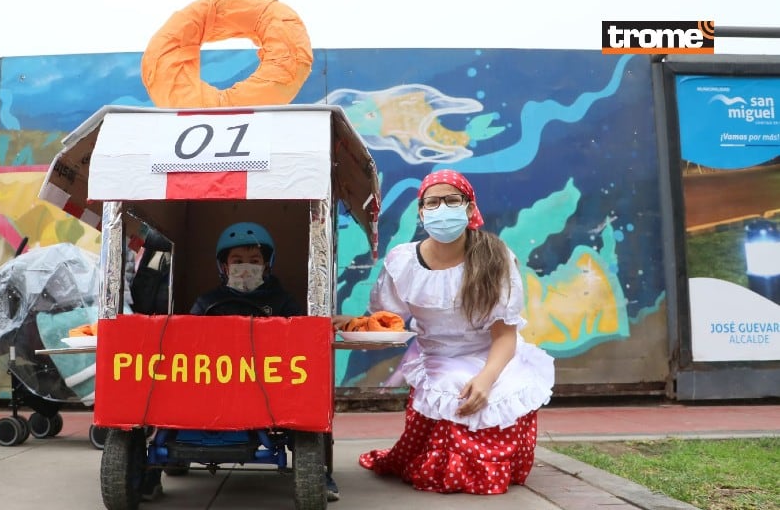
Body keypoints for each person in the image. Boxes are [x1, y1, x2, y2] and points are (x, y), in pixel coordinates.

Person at [332, 169, 554, 495]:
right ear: (421, 212)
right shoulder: (403, 262)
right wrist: (354, 324)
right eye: (432, 202)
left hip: (493, 357)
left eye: (452, 200)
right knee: (438, 472)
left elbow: (505, 336)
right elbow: (387, 320)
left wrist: (486, 379)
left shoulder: (496, 258)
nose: (442, 209)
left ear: (469, 207)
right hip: (438, 359)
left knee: (490, 422)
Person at [140, 222, 340, 503]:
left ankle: (315, 471)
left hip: (267, 385)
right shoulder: (207, 302)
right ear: (223, 266)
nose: (246, 267)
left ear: (267, 264)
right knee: (166, 400)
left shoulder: (282, 301)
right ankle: (149, 471)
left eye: (254, 261)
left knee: (304, 408)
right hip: (211, 382)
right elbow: (184, 338)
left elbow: (301, 336)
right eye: (237, 261)